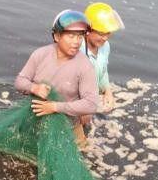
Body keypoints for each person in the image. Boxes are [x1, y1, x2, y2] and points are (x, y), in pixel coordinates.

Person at [14, 10, 99, 147]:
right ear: (57, 36)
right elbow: (19, 81)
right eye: (71, 36)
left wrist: (54, 107)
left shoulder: (85, 66)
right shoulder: (40, 54)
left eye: (80, 37)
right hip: (35, 119)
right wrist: (33, 87)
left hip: (68, 126)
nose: (76, 42)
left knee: (78, 156)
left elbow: (91, 104)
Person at [81, 2, 125, 121]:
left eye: (108, 33)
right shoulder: (76, 49)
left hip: (89, 100)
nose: (105, 38)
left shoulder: (105, 46)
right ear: (87, 29)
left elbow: (103, 71)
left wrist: (107, 91)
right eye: (101, 33)